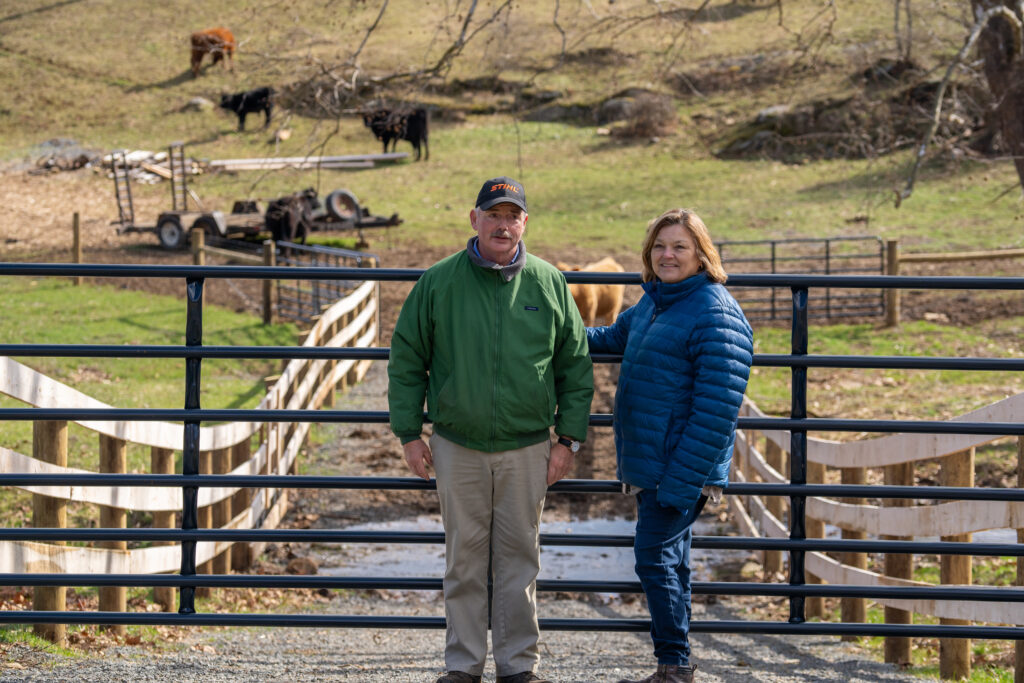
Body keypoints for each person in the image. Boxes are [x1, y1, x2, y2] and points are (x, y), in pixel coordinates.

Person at [387, 176, 594, 683]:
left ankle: (518, 666)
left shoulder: (548, 283)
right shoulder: (438, 282)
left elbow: (575, 365)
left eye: (513, 215)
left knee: (521, 558)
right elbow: (407, 360)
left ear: (525, 222)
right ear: (474, 219)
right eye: (494, 214)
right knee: (464, 559)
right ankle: (462, 665)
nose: (504, 224)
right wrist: (409, 434)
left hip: (527, 445)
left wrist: (567, 440)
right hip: (457, 443)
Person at [587, 209, 753, 683]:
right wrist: (549, 333)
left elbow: (717, 412)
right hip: (655, 461)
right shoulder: (654, 303)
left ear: (702, 253)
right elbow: (611, 337)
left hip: (679, 467)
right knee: (671, 560)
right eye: (660, 246)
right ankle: (675, 665)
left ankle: (675, 665)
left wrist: (683, 480)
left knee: (652, 558)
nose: (667, 255)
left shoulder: (714, 311)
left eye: (679, 246)